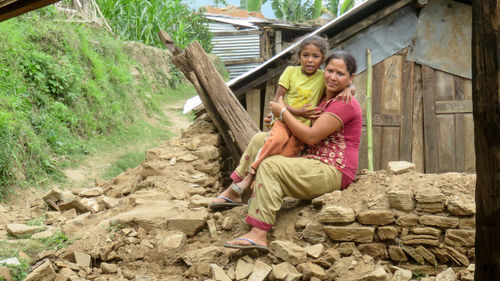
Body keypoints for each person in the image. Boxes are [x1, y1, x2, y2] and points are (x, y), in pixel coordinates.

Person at [221, 52, 363, 252]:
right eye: (329, 71)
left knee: (271, 166)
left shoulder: (345, 103)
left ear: (351, 77)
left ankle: (258, 235)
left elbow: (311, 137)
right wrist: (278, 119)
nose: (332, 77)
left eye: (340, 74)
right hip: (312, 160)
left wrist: (284, 114)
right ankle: (236, 190)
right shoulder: (324, 96)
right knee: (261, 138)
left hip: (333, 169)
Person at [209, 36, 354, 210]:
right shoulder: (291, 72)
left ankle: (253, 192)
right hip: (285, 123)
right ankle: (241, 183)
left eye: (315, 56)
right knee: (266, 140)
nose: (310, 60)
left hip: (300, 132)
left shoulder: (323, 78)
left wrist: (348, 88)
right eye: (305, 55)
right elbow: (277, 101)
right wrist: (290, 113)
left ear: (322, 59)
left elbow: (341, 81)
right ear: (298, 56)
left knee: (281, 155)